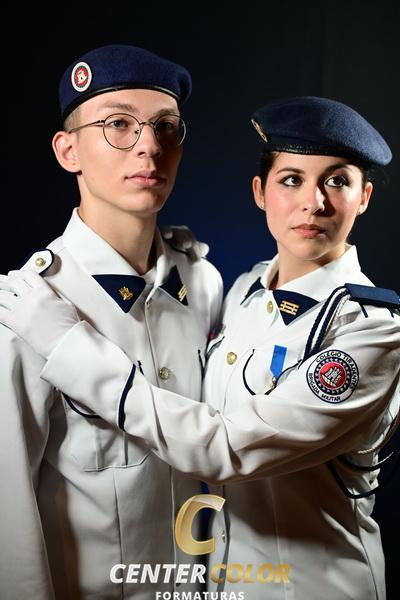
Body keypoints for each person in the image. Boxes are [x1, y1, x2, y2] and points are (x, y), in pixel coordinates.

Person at [1, 96, 400, 600]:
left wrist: (71, 349)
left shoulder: (372, 333)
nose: (313, 203)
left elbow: (225, 448)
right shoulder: (240, 293)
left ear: (364, 197)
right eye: (291, 179)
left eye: (337, 181)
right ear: (260, 192)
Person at [0, 44, 222, 599]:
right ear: (68, 150)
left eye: (166, 127)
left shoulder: (202, 283)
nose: (149, 146)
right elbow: (9, 517)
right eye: (118, 124)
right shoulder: (27, 308)